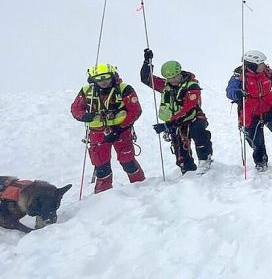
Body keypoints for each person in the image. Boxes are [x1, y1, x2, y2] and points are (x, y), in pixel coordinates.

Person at [70, 63, 144, 193]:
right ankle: (102, 195)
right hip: (97, 133)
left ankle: (142, 188)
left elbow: (135, 110)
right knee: (101, 165)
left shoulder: (124, 89)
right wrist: (84, 116)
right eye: (99, 79)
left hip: (122, 131)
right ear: (93, 79)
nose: (103, 81)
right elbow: (75, 108)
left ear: (112, 76)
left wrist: (119, 128)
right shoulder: (87, 91)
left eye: (106, 77)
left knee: (128, 161)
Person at [141, 50, 213, 174]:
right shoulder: (165, 86)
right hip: (175, 123)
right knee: (180, 150)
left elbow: (188, 108)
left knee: (199, 134)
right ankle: (187, 170)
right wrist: (147, 62)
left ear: (180, 73)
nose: (173, 80)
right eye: (170, 78)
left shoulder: (192, 86)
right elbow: (146, 79)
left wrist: (167, 125)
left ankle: (205, 160)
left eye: (175, 77)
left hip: (193, 118)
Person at [225, 50, 272, 172]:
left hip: (269, 107)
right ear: (252, 65)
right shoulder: (239, 75)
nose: (263, 65)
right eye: (260, 63)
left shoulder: (267, 72)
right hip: (250, 112)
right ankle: (261, 162)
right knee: (256, 141)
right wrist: (237, 93)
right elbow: (230, 91)